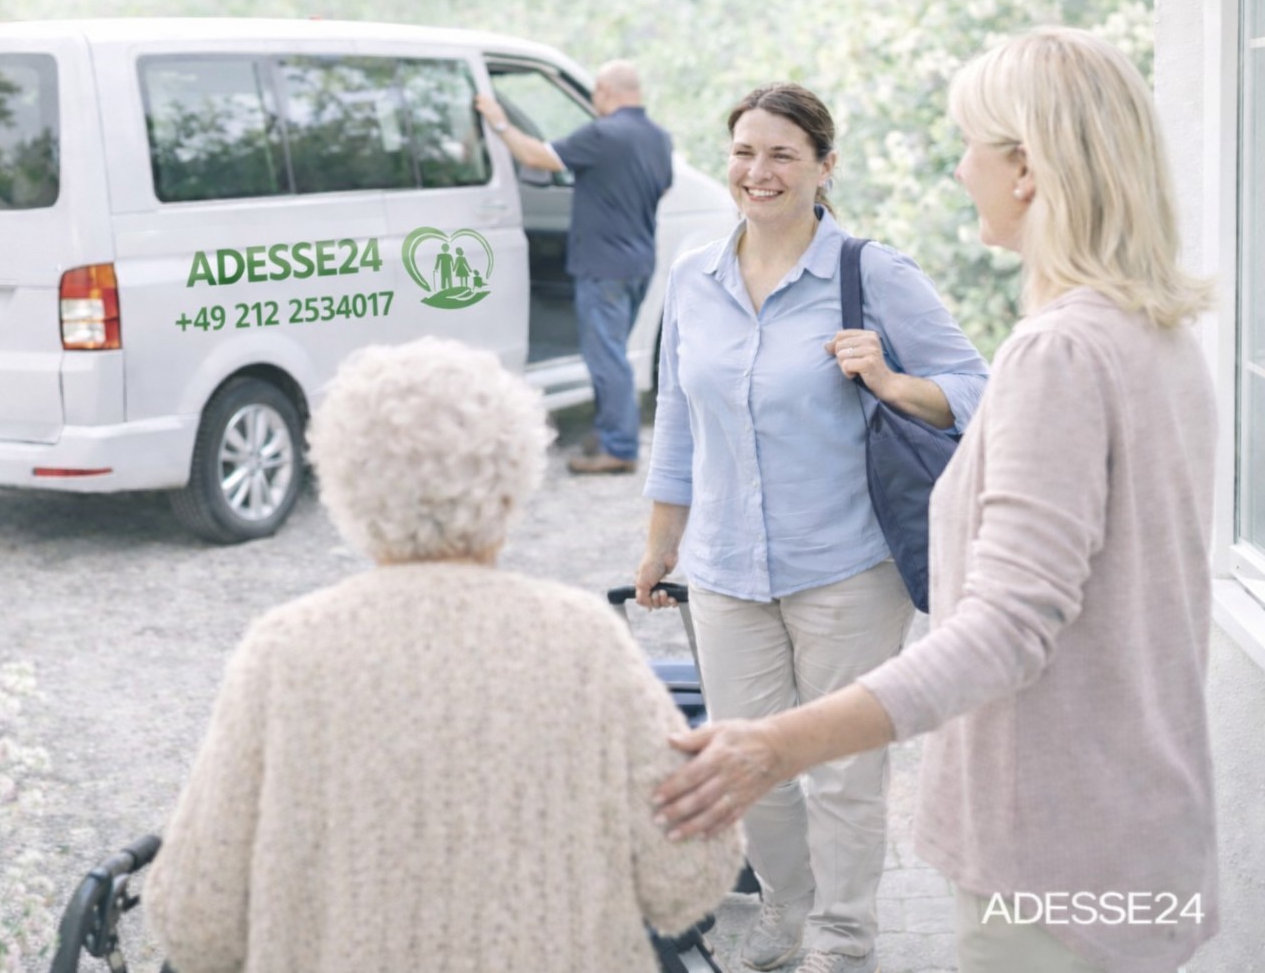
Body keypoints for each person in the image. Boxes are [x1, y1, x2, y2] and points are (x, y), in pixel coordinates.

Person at [652, 28, 1218, 973]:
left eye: (969, 145)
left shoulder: (1058, 352)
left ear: (1028, 170)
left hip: (1053, 843)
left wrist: (773, 745)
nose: (958, 171)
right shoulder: (1154, 333)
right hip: (1136, 817)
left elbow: (1004, 630)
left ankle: (841, 933)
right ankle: (789, 915)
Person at [143, 338, 743, 973]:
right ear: (513, 483)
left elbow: (196, 919)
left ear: (343, 485)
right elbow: (689, 876)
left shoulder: (284, 652)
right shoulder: (581, 641)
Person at [634, 82, 990, 973]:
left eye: (783, 154)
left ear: (825, 168)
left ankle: (843, 935)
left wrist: (893, 382)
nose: (760, 172)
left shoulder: (872, 275)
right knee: (749, 764)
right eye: (745, 151)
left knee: (842, 771)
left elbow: (981, 391)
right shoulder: (692, 276)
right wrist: (659, 543)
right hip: (722, 569)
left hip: (845, 566)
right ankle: (783, 915)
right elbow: (677, 416)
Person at [475, 60, 673, 475]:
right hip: (639, 260)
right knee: (613, 351)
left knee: (607, 357)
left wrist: (498, 122)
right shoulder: (657, 137)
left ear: (603, 91)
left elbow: (535, 155)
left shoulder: (603, 134)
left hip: (602, 266)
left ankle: (619, 447)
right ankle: (608, 431)